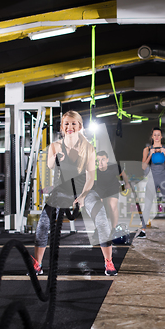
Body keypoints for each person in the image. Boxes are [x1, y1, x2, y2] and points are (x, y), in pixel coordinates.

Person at [32, 110, 117, 276]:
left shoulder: (88, 148)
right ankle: (37, 264)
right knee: (43, 225)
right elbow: (49, 165)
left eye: (73, 123)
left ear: (79, 126)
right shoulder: (56, 146)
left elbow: (91, 177)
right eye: (66, 124)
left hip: (85, 190)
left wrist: (83, 196)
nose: (70, 127)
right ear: (62, 127)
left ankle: (109, 262)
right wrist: (56, 158)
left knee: (102, 221)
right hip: (61, 191)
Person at [138, 127, 165, 239]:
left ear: (161, 137)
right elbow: (143, 166)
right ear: (152, 137)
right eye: (155, 135)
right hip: (152, 179)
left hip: (164, 178)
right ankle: (143, 230)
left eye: (159, 135)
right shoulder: (147, 149)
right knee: (147, 205)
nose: (157, 137)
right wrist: (150, 155)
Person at [93, 150, 130, 230]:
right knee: (98, 206)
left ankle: (114, 228)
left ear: (107, 160)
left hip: (112, 187)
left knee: (112, 206)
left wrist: (126, 184)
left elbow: (123, 173)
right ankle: (98, 228)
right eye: (98, 160)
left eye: (103, 159)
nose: (100, 162)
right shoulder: (94, 170)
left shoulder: (114, 167)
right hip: (100, 188)